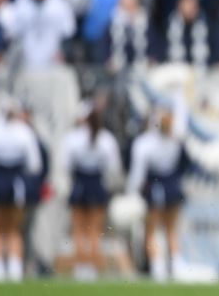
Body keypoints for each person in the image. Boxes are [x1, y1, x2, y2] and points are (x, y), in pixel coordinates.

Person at [61, 99, 123, 281]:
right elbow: (114, 167)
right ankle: (93, 268)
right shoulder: (106, 139)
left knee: (79, 229)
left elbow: (65, 165)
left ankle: (82, 267)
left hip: (80, 183)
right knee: (95, 229)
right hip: (97, 184)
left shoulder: (72, 138)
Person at [127, 102, 189, 282]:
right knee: (171, 229)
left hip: (154, 187)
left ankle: (157, 267)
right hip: (172, 186)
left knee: (152, 229)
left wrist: (131, 194)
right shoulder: (175, 140)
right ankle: (174, 265)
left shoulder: (144, 143)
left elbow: (137, 175)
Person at [0, 98, 43, 282]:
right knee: (14, 228)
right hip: (16, 183)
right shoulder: (24, 132)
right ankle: (14, 267)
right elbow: (34, 164)